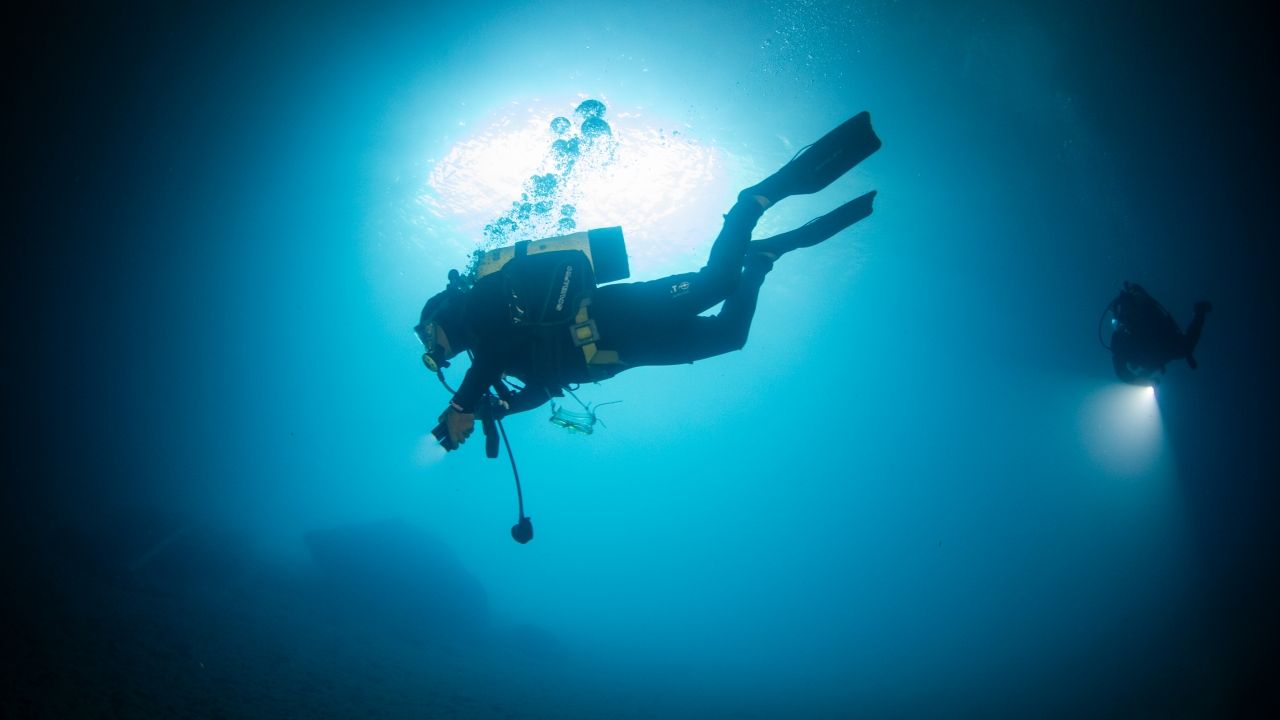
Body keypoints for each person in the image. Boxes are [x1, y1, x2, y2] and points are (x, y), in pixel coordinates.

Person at [417, 112, 883, 448]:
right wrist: (500, 408)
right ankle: (759, 259)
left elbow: (493, 348)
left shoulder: (479, 303)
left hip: (617, 314)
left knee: (718, 283)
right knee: (729, 337)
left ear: (439, 315)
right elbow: (541, 387)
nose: (435, 352)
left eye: (427, 338)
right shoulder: (491, 361)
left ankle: (750, 203)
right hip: (627, 352)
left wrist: (461, 406)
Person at [1106, 281, 1211, 385]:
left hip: (1158, 351)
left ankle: (1199, 312)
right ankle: (1199, 312)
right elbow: (1122, 371)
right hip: (1160, 351)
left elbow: (1122, 371)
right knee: (1186, 347)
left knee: (1185, 348)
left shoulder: (1121, 335)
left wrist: (1144, 382)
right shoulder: (1123, 335)